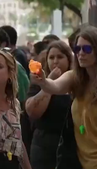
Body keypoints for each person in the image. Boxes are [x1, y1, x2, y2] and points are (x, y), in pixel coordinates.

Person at [31, 26, 97, 168]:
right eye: (77, 49)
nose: (80, 54)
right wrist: (43, 80)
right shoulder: (75, 78)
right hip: (81, 164)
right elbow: (54, 87)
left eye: (86, 49)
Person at [26, 41, 73, 169]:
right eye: (51, 57)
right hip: (44, 146)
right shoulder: (38, 82)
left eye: (60, 57)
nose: (55, 61)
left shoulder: (76, 81)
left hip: (71, 145)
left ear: (69, 59)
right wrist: (48, 83)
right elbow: (33, 111)